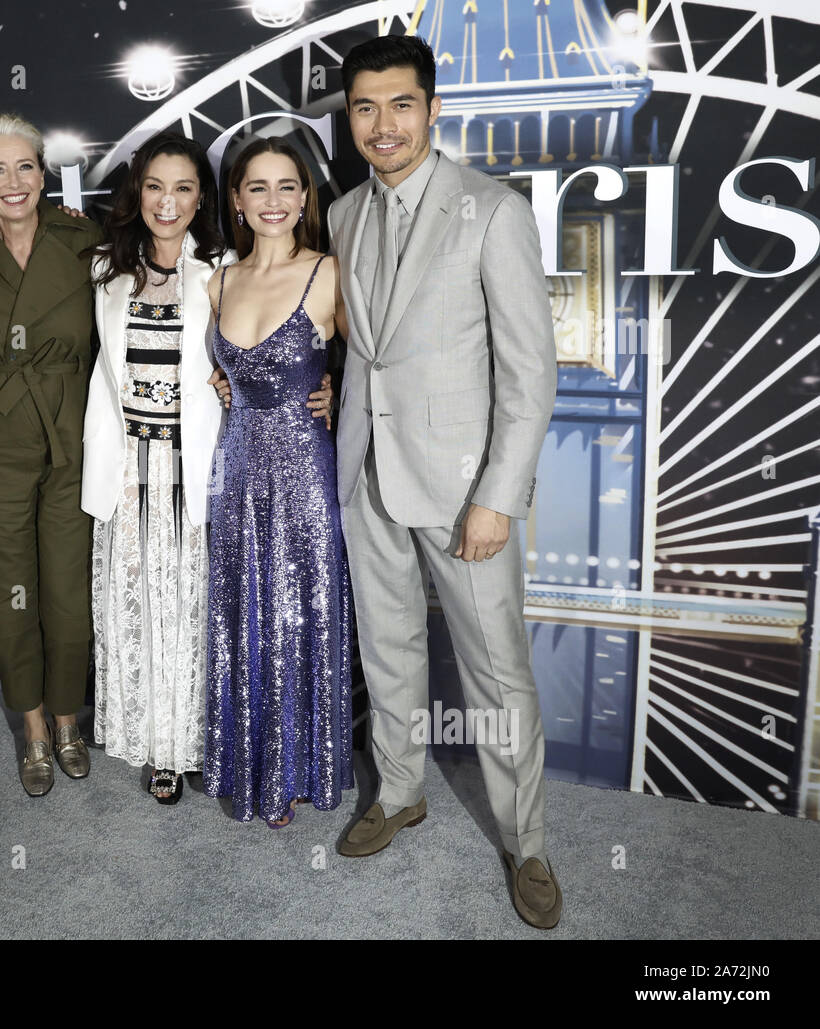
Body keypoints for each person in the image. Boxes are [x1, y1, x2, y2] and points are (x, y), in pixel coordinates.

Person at [327, 36, 561, 928]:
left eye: (399, 105)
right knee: (387, 649)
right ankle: (399, 790)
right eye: (364, 108)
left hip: (466, 490)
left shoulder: (493, 211)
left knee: (496, 673)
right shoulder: (344, 214)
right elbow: (363, 349)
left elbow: (529, 373)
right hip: (367, 473)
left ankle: (528, 842)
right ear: (350, 119)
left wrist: (499, 494)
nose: (382, 125)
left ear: (431, 109)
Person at [0, 112, 103, 797]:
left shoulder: (85, 239)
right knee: (8, 592)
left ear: (44, 172)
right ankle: (35, 727)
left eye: (26, 167)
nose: (14, 182)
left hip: (72, 429)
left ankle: (70, 716)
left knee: (68, 595)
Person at [203, 136, 354, 827]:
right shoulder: (217, 282)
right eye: (256, 187)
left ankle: (294, 769)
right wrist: (220, 376)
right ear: (236, 200)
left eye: (286, 186)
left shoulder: (329, 274)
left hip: (304, 476)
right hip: (235, 473)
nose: (272, 201)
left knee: (298, 614)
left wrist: (338, 396)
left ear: (305, 197)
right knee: (245, 615)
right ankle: (248, 762)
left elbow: (377, 365)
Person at [81, 132, 231, 803]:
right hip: (128, 468)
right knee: (138, 610)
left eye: (182, 188)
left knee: (194, 610)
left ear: (202, 197)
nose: (167, 202)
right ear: (136, 193)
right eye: (154, 187)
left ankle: (197, 741)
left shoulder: (225, 266)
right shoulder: (105, 269)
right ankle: (156, 749)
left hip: (198, 469)